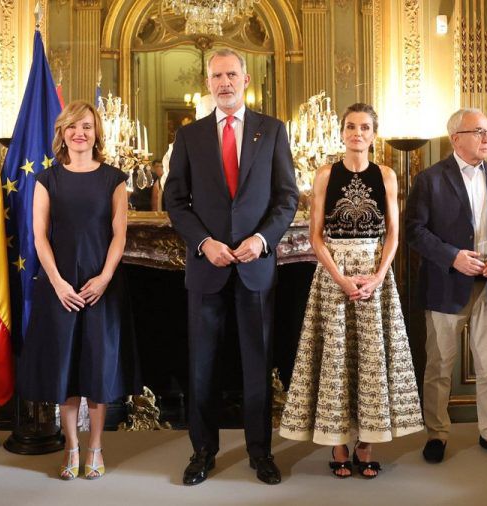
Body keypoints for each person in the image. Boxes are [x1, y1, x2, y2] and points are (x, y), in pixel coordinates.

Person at [164, 48, 299, 486]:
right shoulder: (189, 137)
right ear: (208, 82)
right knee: (201, 364)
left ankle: (260, 452)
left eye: (231, 74)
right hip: (208, 268)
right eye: (217, 76)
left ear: (245, 79)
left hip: (255, 267)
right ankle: (202, 452)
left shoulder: (272, 131)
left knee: (257, 363)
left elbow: (286, 198)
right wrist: (204, 243)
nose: (224, 82)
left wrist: (261, 240)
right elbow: (175, 202)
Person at [279, 103, 423, 479]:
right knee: (337, 358)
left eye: (364, 127)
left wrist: (377, 276)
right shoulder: (325, 174)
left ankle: (367, 444)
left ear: (374, 135)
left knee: (371, 357)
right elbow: (314, 236)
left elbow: (394, 233)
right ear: (341, 133)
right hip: (333, 276)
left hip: (376, 275)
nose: (357, 133)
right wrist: (341, 278)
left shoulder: (387, 175)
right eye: (350, 127)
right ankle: (338, 442)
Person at [17, 100, 139, 480]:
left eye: (86, 126)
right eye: (72, 126)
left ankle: (96, 448)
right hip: (60, 287)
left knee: (98, 372)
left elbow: (120, 235)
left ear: (96, 132)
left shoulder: (114, 178)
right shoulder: (47, 179)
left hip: (102, 286)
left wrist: (104, 277)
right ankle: (71, 447)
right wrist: (56, 282)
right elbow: (39, 235)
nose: (79, 133)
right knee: (66, 372)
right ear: (62, 133)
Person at [405, 108, 487, 464]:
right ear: (455, 138)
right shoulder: (430, 180)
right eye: (479, 132)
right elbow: (414, 230)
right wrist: (452, 256)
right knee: (440, 366)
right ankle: (437, 435)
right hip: (446, 284)